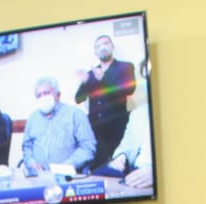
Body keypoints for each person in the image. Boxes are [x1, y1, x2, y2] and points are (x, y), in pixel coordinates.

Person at [75, 34, 137, 166]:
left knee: (118, 166)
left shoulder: (125, 67)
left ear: (112, 46)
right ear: (95, 52)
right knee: (97, 167)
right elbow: (78, 99)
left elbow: (129, 89)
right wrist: (85, 83)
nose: (102, 47)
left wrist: (104, 79)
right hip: (96, 130)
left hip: (117, 128)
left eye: (106, 43)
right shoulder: (91, 73)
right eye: (98, 46)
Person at [20, 77, 96, 173]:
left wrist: (67, 166)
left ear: (58, 95)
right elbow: (27, 147)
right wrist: (31, 162)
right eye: (39, 95)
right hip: (38, 175)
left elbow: (87, 148)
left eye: (46, 93)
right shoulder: (33, 118)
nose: (43, 98)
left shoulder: (75, 114)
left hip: (67, 175)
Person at [99, 103, 153, 188]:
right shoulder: (139, 112)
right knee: (97, 177)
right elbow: (125, 147)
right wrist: (120, 157)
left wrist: (156, 173)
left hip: (153, 173)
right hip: (131, 170)